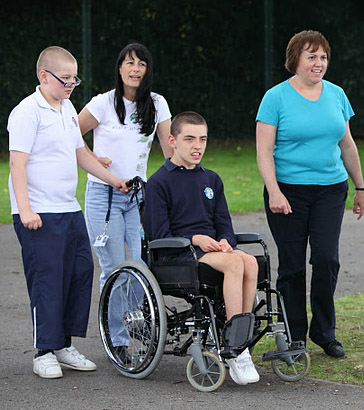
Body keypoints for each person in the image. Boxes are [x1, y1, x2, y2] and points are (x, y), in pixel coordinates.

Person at [8, 46, 128, 379]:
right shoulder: (26, 112)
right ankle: (43, 350)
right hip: (38, 212)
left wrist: (114, 180)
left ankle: (63, 345)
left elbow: (81, 153)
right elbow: (17, 163)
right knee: (47, 280)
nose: (71, 85)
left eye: (75, 79)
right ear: (43, 76)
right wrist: (26, 209)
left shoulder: (68, 108)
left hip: (68, 207)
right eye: (65, 79)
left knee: (79, 272)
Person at [256, 30, 364, 359]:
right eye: (311, 56)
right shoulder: (275, 98)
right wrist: (274, 191)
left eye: (323, 57)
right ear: (295, 60)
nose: (319, 63)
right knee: (291, 265)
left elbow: (346, 144)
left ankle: (324, 331)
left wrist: (360, 186)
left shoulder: (336, 95)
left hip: (331, 190)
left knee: (327, 260)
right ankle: (294, 335)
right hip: (287, 191)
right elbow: (264, 151)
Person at [145, 111, 260, 385]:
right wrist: (196, 239)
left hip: (212, 251)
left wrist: (225, 242)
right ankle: (235, 348)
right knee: (234, 264)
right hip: (178, 254)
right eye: (190, 139)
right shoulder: (158, 183)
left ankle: (239, 340)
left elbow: (224, 224)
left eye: (203, 139)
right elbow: (158, 235)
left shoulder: (212, 179)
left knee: (251, 261)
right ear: (172, 141)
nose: (197, 146)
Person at [78, 42, 172, 293]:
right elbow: (71, 135)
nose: (136, 69)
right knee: (115, 268)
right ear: (120, 68)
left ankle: (139, 328)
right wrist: (92, 159)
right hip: (103, 196)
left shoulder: (157, 103)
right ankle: (115, 333)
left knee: (142, 266)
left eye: (142, 64)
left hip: (137, 197)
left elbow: (170, 151)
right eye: (130, 63)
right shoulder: (103, 102)